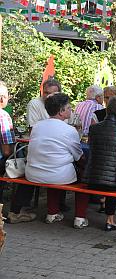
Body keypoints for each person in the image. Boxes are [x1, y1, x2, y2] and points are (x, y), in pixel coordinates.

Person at [25, 93, 89, 228]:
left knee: (55, 168)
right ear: (61, 111)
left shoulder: (37, 126)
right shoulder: (69, 130)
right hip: (58, 174)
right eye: (69, 107)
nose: (71, 110)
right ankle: (80, 218)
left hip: (33, 172)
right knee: (85, 179)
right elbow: (78, 156)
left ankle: (52, 213)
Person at [85, 96, 116, 231]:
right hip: (113, 182)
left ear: (107, 110)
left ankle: (114, 217)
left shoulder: (93, 129)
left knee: (113, 179)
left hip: (92, 177)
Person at [1, 82, 36, 224]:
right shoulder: (3, 116)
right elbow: (7, 150)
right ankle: (15, 212)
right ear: (2, 98)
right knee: (30, 174)